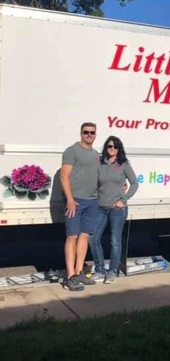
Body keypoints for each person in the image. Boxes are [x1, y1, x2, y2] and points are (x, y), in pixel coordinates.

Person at [89, 135, 139, 284]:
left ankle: (112, 271)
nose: (112, 149)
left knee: (115, 241)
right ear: (106, 148)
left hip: (117, 209)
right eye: (109, 146)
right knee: (93, 239)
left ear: (119, 149)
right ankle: (99, 269)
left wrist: (123, 200)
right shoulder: (100, 164)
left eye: (115, 146)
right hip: (100, 207)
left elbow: (134, 184)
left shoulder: (123, 164)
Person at [60, 122, 100, 291]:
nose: (89, 135)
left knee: (84, 237)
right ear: (81, 133)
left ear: (95, 135)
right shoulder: (72, 151)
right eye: (86, 132)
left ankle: (79, 272)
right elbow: (64, 176)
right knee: (72, 237)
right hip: (75, 201)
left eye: (92, 133)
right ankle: (71, 277)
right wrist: (70, 199)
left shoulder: (96, 154)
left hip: (92, 201)